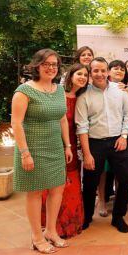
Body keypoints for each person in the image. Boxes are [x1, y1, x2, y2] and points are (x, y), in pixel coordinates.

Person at [11, 49, 73, 254]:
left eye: (54, 64)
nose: (51, 68)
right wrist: (25, 153)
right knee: (35, 192)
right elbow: (16, 123)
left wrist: (68, 146)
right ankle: (37, 237)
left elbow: (62, 119)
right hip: (33, 148)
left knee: (57, 189)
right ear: (37, 65)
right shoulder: (24, 90)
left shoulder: (58, 90)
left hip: (55, 147)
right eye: (46, 64)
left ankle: (51, 232)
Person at [75, 57, 128, 233]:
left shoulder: (120, 90)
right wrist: (87, 154)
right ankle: (86, 217)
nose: (100, 74)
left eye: (103, 70)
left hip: (118, 141)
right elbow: (82, 125)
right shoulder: (84, 95)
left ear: (108, 71)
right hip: (94, 144)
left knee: (126, 178)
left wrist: (124, 136)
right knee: (90, 182)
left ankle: (118, 217)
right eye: (95, 71)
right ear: (90, 73)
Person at [41, 63, 88, 238]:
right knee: (54, 185)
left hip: (74, 148)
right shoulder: (57, 93)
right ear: (71, 75)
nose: (82, 77)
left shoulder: (84, 96)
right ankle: (50, 227)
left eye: (85, 74)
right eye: (79, 74)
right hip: (56, 145)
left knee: (73, 183)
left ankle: (69, 223)